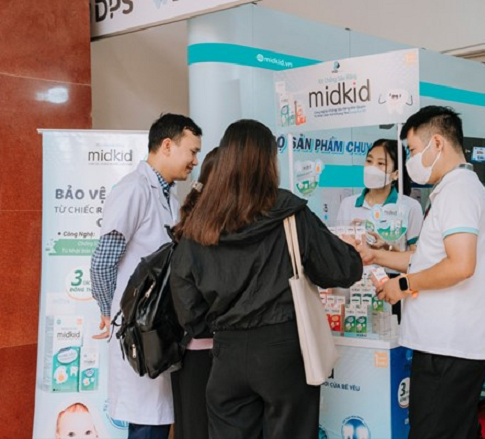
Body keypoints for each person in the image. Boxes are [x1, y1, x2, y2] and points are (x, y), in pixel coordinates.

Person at [170, 119, 362, 439]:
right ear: (268, 162)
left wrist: (214, 326)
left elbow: (184, 296)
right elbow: (341, 269)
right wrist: (353, 254)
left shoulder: (201, 221)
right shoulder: (288, 211)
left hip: (227, 353)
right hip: (284, 352)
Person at [359, 106, 485, 439]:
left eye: (412, 150)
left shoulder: (459, 192)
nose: (410, 160)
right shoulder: (453, 190)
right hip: (447, 346)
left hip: (448, 348)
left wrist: (401, 286)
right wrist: (377, 254)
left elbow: (460, 265)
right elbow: (425, 259)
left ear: (437, 143)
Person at [90, 113, 202, 439]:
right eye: (191, 151)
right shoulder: (133, 190)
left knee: (156, 423)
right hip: (137, 329)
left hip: (158, 328)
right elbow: (103, 262)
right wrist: (107, 310)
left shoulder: (170, 195)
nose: (195, 160)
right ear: (167, 146)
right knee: (146, 426)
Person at [169, 147, 220, 439]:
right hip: (202, 351)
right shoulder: (201, 233)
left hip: (198, 350)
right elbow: (190, 306)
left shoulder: (197, 225)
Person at [336, 138, 423, 252]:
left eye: (381, 163)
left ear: (396, 174)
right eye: (369, 161)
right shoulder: (348, 204)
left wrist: (388, 246)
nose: (372, 168)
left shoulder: (410, 207)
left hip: (392, 270)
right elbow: (338, 249)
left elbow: (416, 257)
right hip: (357, 269)